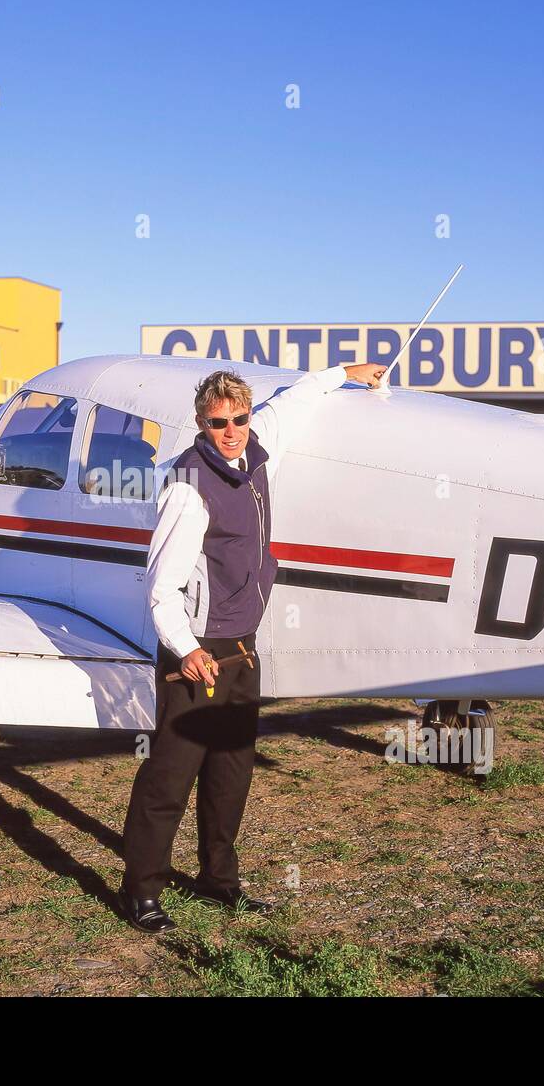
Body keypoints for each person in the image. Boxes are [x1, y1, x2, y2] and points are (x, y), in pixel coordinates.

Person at [118, 359, 387, 932]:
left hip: (242, 647)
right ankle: (140, 891)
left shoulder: (257, 451)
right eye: (219, 422)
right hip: (199, 652)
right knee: (169, 775)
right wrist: (186, 651)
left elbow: (291, 403)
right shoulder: (188, 489)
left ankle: (219, 879)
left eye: (239, 418)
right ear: (200, 422)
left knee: (231, 771)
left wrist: (343, 372)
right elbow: (161, 588)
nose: (232, 430)